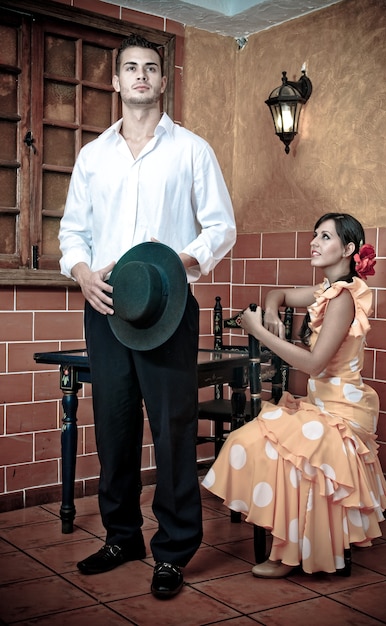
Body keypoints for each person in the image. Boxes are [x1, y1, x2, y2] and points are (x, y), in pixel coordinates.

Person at [59, 34, 236, 598]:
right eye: (130, 68)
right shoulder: (92, 156)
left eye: (151, 68)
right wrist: (82, 273)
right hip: (108, 307)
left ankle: (175, 549)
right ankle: (122, 536)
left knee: (173, 429)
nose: (140, 76)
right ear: (116, 81)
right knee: (113, 428)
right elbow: (72, 234)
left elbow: (220, 227)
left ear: (163, 81)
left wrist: (180, 260)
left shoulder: (192, 150)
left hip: (170, 307)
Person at [202, 213, 386, 578]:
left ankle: (288, 554)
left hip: (342, 411)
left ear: (348, 249)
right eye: (315, 235)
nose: (314, 243)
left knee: (286, 454)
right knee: (246, 440)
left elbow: (314, 365)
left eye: (325, 237)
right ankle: (287, 539)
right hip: (320, 406)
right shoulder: (326, 290)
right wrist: (273, 310)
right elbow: (278, 293)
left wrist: (260, 331)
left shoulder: (342, 300)